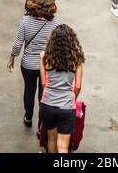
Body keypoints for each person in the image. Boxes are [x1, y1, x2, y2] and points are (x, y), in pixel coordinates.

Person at [7, 0, 61, 131]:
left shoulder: (26, 21)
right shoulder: (56, 24)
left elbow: (18, 43)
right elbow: (58, 47)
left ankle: (28, 117)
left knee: (29, 91)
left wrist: (12, 56)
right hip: (47, 66)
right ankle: (41, 127)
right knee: (44, 96)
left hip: (28, 65)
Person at [40, 24, 85, 153]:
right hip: (66, 106)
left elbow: (44, 83)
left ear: (52, 40)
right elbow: (78, 86)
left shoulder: (44, 56)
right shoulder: (76, 60)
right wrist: (71, 99)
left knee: (51, 139)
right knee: (63, 147)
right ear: (71, 40)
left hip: (47, 105)